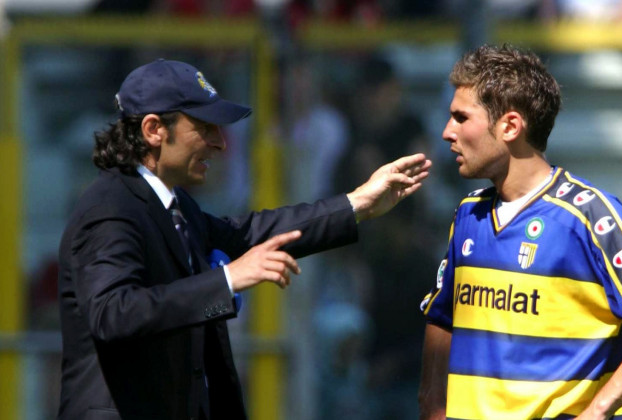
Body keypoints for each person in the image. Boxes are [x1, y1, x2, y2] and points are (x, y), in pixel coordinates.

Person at [57, 58, 431, 420]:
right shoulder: (110, 207)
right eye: (204, 127)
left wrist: (357, 203)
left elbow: (249, 233)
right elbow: (112, 314)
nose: (219, 143)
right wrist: (227, 280)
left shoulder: (174, 206)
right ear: (154, 129)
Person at [417, 44, 622, 420]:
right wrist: (433, 406)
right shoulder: (469, 215)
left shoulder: (589, 215)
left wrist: (597, 411)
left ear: (510, 126)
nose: (447, 131)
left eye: (460, 117)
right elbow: (442, 315)